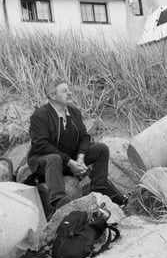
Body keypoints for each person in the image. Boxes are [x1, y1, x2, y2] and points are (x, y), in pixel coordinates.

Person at [27, 79, 125, 213]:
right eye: (64, 91)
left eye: (68, 90)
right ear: (52, 96)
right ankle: (58, 199)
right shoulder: (40, 116)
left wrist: (80, 157)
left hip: (70, 159)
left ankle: (100, 187)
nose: (69, 93)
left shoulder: (74, 112)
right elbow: (41, 145)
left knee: (101, 149)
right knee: (54, 158)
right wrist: (69, 162)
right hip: (45, 161)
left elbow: (84, 137)